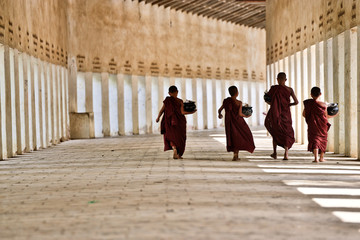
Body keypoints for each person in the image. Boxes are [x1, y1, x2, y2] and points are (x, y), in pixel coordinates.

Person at [265, 72, 298, 160]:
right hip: (286, 114)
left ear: (277, 79)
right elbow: (296, 102)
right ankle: (286, 154)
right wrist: (288, 104)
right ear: (285, 80)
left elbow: (268, 100)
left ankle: (275, 153)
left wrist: (274, 104)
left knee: (276, 132)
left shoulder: (274, 88)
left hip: (275, 113)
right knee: (287, 132)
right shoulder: (290, 90)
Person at [156, 86, 196, 159]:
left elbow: (162, 110)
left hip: (169, 122)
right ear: (177, 92)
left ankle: (174, 148)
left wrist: (158, 117)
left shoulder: (167, 101)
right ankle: (178, 153)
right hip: (179, 122)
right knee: (180, 137)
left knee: (171, 137)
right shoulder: (180, 101)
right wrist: (192, 112)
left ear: (169, 93)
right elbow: (182, 112)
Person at [218, 86, 255, 161]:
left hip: (229, 121)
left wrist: (220, 114)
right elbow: (240, 114)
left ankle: (235, 155)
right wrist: (246, 116)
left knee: (233, 136)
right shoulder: (239, 103)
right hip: (238, 121)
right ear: (237, 93)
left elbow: (220, 109)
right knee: (244, 135)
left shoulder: (226, 101)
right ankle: (236, 155)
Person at [303, 87, 336, 163]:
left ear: (311, 94)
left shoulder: (308, 104)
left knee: (315, 140)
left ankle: (315, 158)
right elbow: (326, 116)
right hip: (322, 125)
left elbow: (304, 114)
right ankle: (321, 158)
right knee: (322, 140)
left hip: (312, 124)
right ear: (320, 94)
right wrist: (335, 115)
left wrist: (311, 118)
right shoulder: (324, 105)